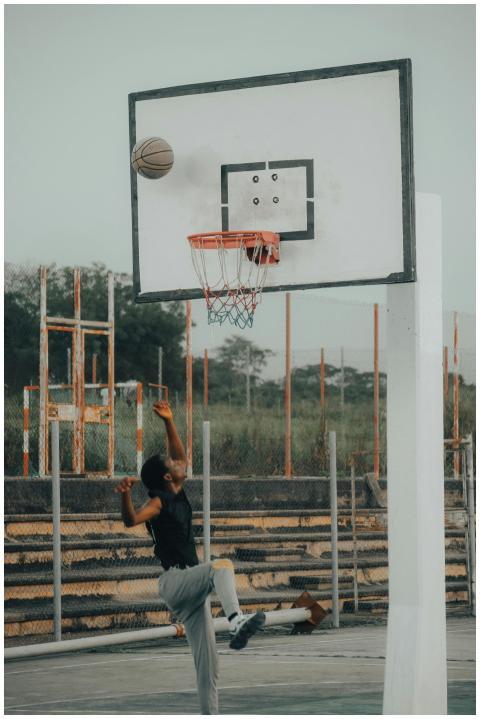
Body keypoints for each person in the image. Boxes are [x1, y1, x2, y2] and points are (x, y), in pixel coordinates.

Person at [115, 400, 265, 714]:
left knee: (208, 667)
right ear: (168, 477)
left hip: (190, 589)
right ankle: (236, 621)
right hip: (175, 581)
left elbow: (180, 454)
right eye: (171, 464)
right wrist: (126, 495)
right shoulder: (159, 502)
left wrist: (169, 421)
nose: (179, 462)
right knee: (221, 566)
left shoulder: (176, 491)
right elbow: (131, 520)